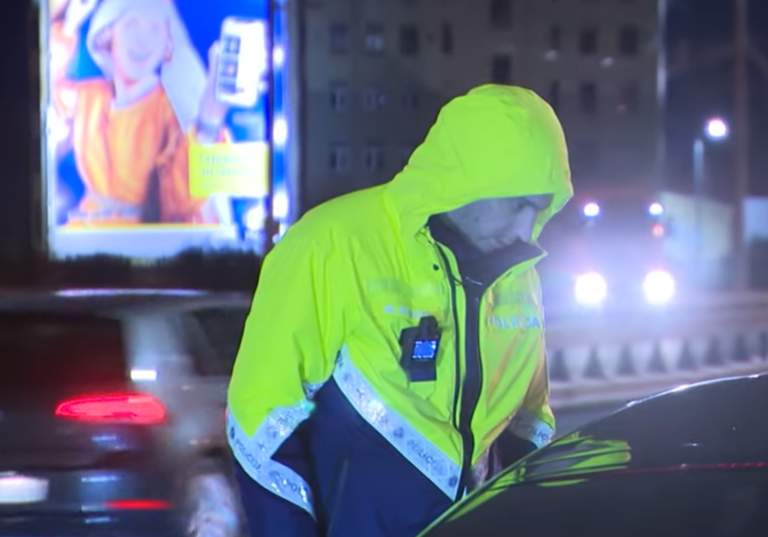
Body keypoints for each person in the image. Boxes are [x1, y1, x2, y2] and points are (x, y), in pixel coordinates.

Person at [226, 83, 573, 536]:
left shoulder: (519, 277)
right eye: (519, 205)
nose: (527, 228)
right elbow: (261, 422)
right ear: (472, 179)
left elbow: (528, 425)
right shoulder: (332, 244)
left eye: (540, 210)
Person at [53, 0, 229, 225]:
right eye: (131, 25)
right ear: (108, 35)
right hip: (84, 233)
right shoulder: (89, 97)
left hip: (146, 238)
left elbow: (180, 200)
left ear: (167, 45)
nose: (142, 39)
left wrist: (209, 121)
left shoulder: (171, 111)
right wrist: (67, 29)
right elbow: (43, 94)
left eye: (154, 29)